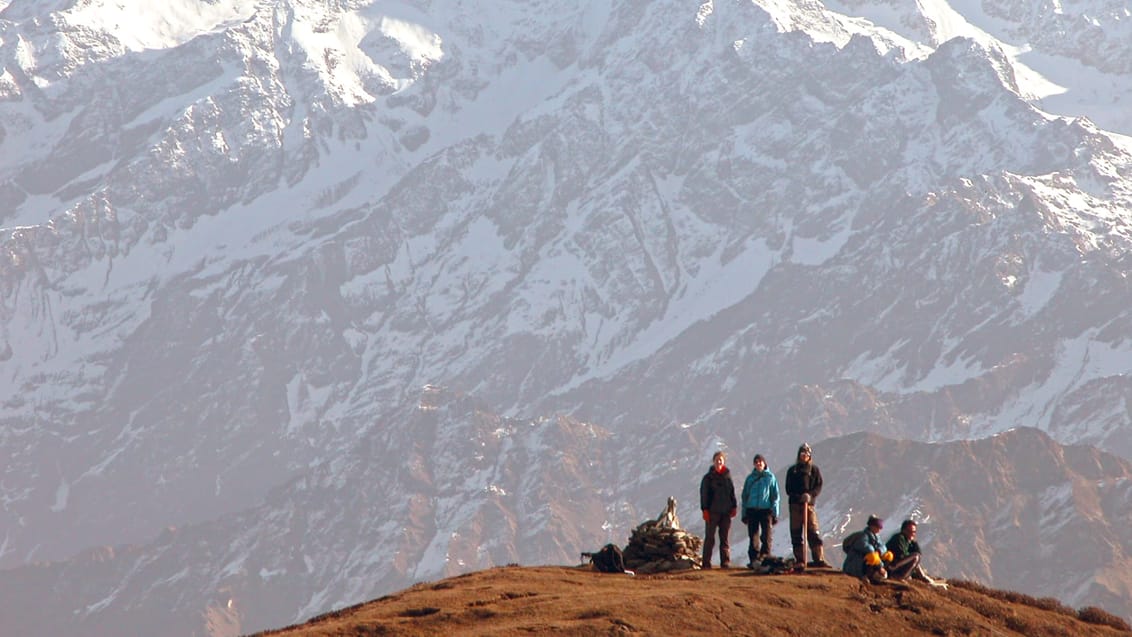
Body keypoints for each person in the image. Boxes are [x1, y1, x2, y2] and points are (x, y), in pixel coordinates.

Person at [784, 442, 829, 570]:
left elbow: (818, 486)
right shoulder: (792, 470)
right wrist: (798, 497)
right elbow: (788, 488)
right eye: (802, 453)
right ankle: (800, 560)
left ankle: (818, 559)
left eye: (807, 454)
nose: (804, 456)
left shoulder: (814, 470)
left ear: (810, 456)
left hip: (809, 506)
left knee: (813, 532)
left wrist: (810, 495)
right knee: (796, 533)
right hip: (795, 506)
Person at [700, 450, 738, 568]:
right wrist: (705, 509)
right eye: (717, 460)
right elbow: (704, 494)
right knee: (710, 538)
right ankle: (706, 563)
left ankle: (725, 562)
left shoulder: (727, 476)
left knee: (724, 538)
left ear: (724, 461)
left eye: (720, 460)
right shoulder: (708, 478)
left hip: (726, 512)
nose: (719, 462)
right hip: (712, 512)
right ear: (713, 462)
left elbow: (732, 492)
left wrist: (734, 506)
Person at [740, 454, 779, 568]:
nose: (758, 464)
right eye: (756, 462)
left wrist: (775, 513)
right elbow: (745, 497)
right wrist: (744, 513)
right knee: (753, 536)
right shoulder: (750, 478)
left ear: (764, 463)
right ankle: (754, 560)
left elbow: (775, 496)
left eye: (760, 461)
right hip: (752, 510)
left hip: (766, 510)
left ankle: (766, 557)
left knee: (766, 536)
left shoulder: (770, 478)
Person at [886, 519, 949, 588]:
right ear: (903, 530)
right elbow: (902, 555)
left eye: (914, 532)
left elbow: (918, 553)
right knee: (915, 557)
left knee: (916, 557)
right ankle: (898, 577)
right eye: (910, 531)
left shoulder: (909, 541)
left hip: (897, 565)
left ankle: (923, 578)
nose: (912, 533)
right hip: (891, 566)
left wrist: (914, 542)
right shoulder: (899, 538)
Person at [843, 515, 892, 582]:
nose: (879, 529)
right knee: (872, 557)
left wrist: (879, 551)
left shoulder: (876, 537)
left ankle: (878, 573)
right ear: (872, 526)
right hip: (856, 563)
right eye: (878, 527)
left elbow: (883, 546)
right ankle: (865, 575)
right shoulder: (863, 536)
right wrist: (880, 565)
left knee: (888, 555)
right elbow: (867, 548)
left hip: (865, 561)